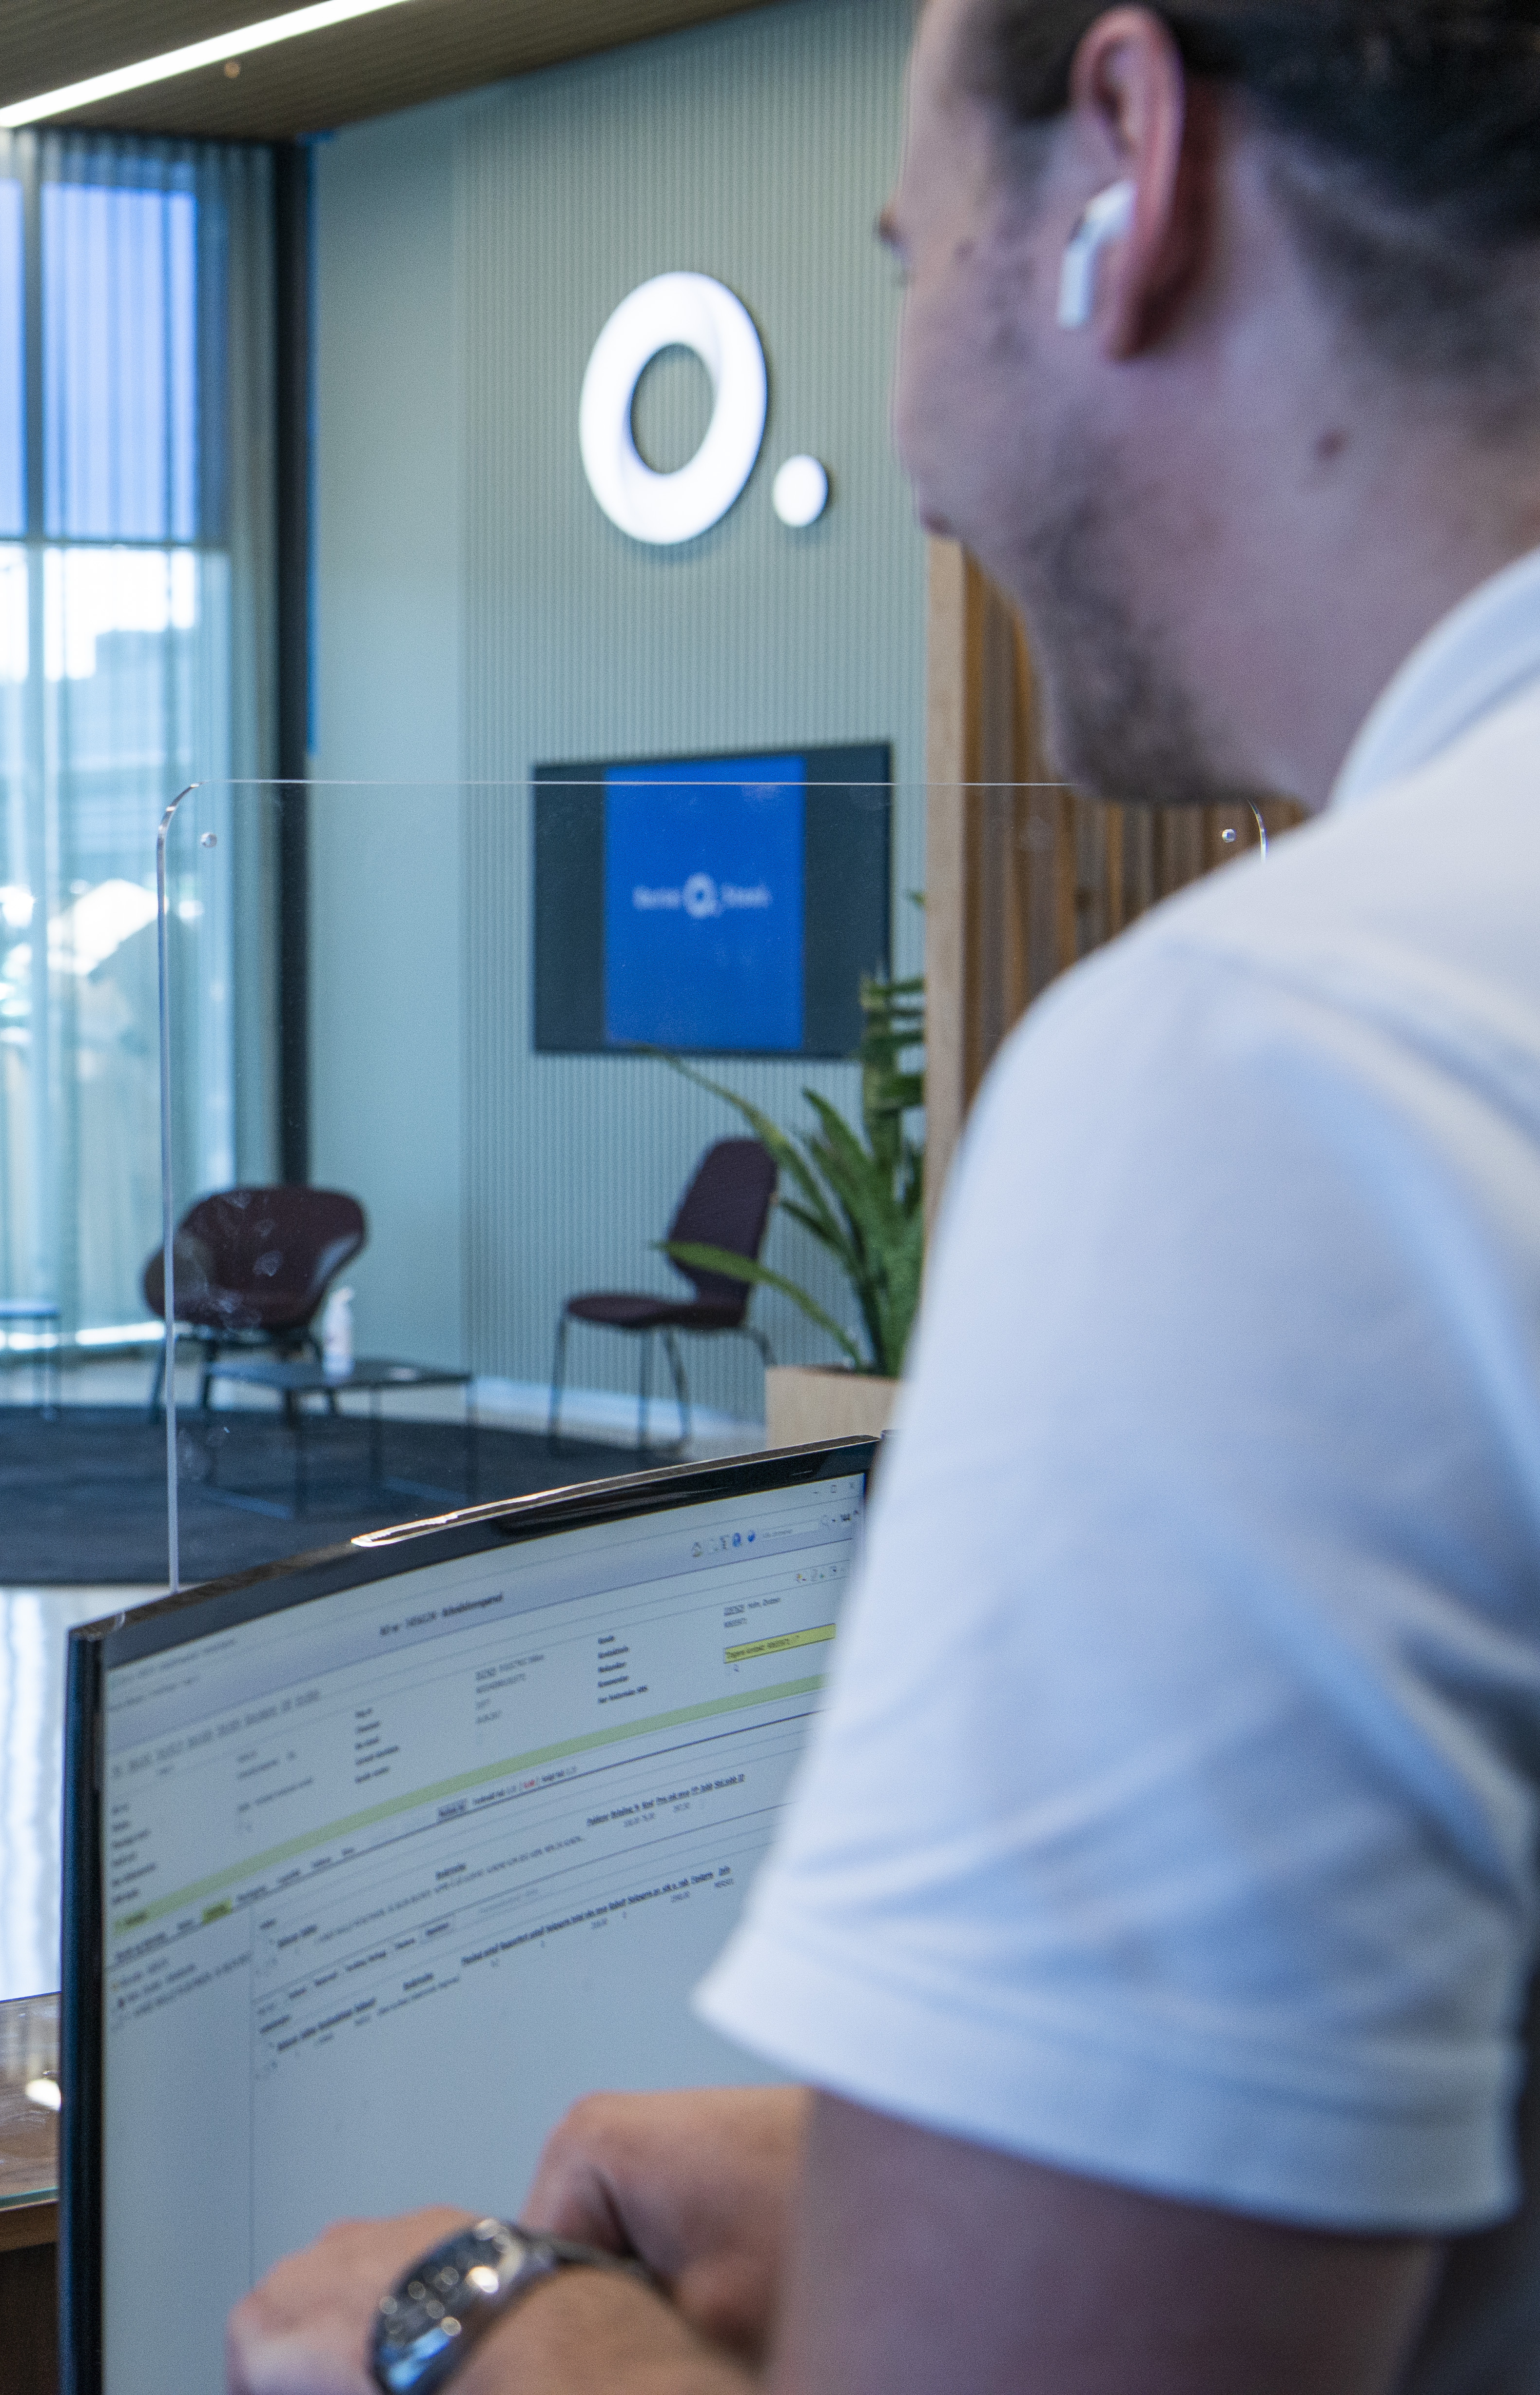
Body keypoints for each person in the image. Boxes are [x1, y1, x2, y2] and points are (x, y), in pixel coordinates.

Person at [229, 0, 1540, 2389]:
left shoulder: (1278, 1074)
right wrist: (971, 2173)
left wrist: (465, 2330)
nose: (909, 431)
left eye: (900, 248)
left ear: (1124, 168)